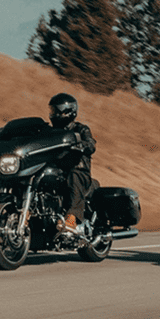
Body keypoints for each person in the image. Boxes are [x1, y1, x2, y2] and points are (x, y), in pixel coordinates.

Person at [47, 93, 96, 234]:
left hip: (79, 171)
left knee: (74, 176)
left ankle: (72, 218)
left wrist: (83, 145)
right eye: (52, 110)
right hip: (57, 171)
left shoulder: (81, 129)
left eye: (57, 110)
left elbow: (91, 144)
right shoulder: (50, 132)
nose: (54, 114)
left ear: (69, 111)